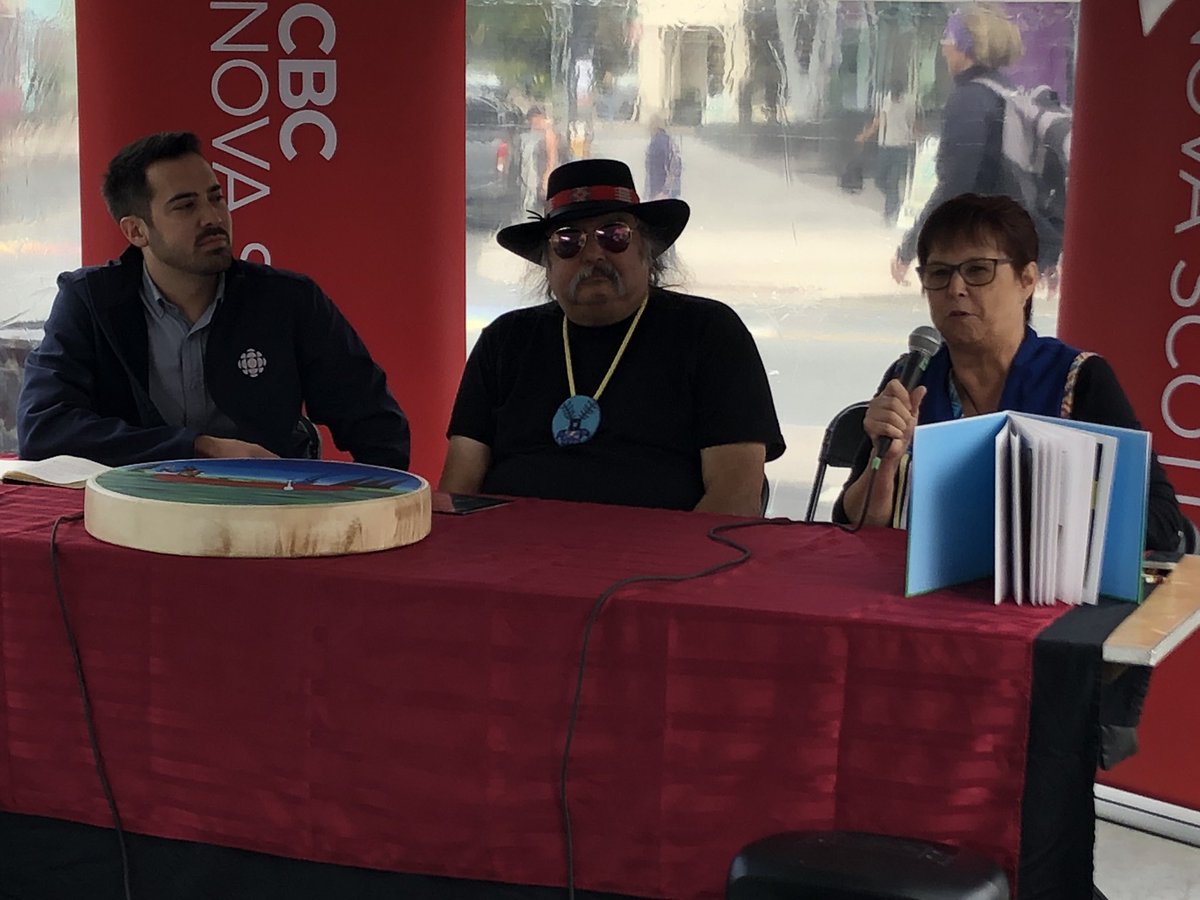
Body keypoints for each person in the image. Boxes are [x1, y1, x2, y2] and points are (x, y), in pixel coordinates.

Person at [17, 131, 411, 468]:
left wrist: (365, 508)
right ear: (137, 231)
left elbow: (376, 424)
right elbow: (44, 428)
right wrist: (198, 449)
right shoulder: (90, 302)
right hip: (137, 513)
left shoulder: (287, 301)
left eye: (216, 198)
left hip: (271, 511)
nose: (213, 217)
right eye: (186, 206)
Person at [837, 192, 1185, 552]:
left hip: (1046, 597)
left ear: (1027, 280)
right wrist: (887, 465)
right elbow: (853, 522)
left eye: (977, 270)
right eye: (939, 274)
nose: (956, 289)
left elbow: (1159, 518)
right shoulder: (912, 376)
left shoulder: (1078, 378)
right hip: (916, 598)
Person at [440, 158, 785, 517]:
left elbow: (736, 496)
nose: (592, 253)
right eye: (568, 240)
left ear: (646, 250)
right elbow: (458, 489)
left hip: (660, 564)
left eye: (614, 234)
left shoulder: (710, 332)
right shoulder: (505, 340)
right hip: (508, 557)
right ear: (548, 261)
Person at [890, 5, 1061, 285]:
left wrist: (911, 246)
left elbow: (955, 185)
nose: (944, 48)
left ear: (965, 46)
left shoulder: (970, 100)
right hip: (1019, 240)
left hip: (987, 246)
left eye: (948, 39)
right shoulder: (1008, 92)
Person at [855, 80, 916, 224]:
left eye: (897, 94)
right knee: (879, 180)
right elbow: (878, 121)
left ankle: (889, 215)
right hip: (885, 147)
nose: (895, 96)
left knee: (893, 182)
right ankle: (895, 201)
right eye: (893, 93)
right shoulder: (885, 100)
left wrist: (913, 139)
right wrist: (865, 135)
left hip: (901, 148)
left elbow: (912, 123)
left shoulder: (909, 103)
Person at [521, 105, 563, 212]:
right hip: (539, 174)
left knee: (545, 203)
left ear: (539, 117)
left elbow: (552, 156)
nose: (531, 123)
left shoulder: (549, 133)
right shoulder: (538, 133)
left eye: (533, 119)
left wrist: (547, 177)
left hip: (546, 175)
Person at [644, 113, 682, 200]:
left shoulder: (658, 142)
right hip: (666, 191)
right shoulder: (667, 140)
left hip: (661, 192)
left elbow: (671, 166)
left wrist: (664, 190)